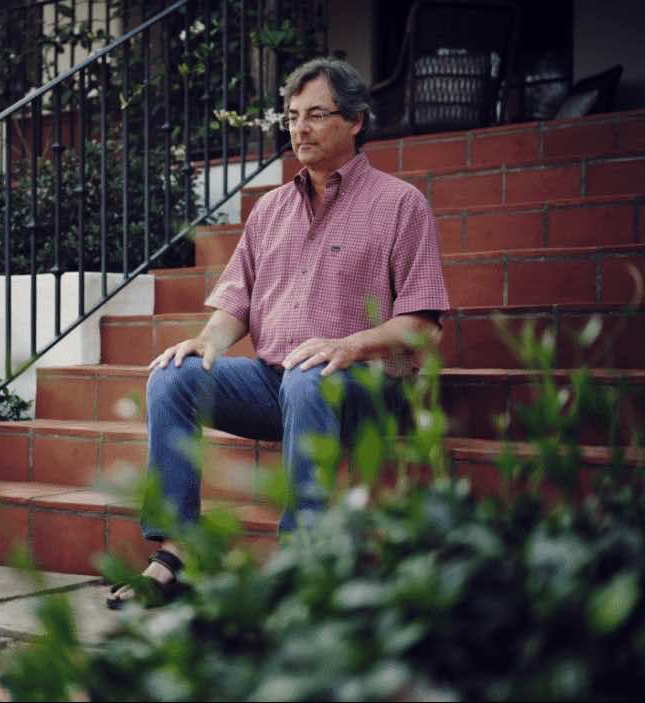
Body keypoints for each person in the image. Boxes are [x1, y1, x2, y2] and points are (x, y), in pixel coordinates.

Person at [107, 57, 450, 609]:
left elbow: (423, 326)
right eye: (292, 116)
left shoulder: (399, 204)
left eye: (316, 115)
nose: (300, 129)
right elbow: (236, 300)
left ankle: (305, 561)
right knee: (174, 378)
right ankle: (174, 553)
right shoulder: (270, 209)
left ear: (356, 120)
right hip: (282, 382)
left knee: (309, 378)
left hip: (367, 387)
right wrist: (208, 342)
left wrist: (348, 345)